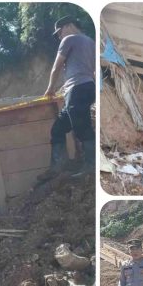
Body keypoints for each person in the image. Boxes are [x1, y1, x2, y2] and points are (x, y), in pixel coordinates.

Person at [39, 15, 96, 180]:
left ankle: (91, 165)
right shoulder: (91, 42)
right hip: (87, 86)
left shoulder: (69, 39)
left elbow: (56, 67)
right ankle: (58, 166)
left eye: (59, 32)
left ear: (69, 26)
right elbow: (93, 68)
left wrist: (50, 89)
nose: (59, 36)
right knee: (58, 128)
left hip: (76, 88)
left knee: (82, 126)